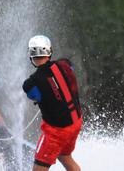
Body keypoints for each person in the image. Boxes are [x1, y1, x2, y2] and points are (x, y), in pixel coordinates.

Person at [22, 35, 82, 171]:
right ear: (49, 51)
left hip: (57, 131)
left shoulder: (31, 83)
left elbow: (34, 96)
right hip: (76, 122)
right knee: (64, 156)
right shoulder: (64, 65)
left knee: (39, 167)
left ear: (31, 55)